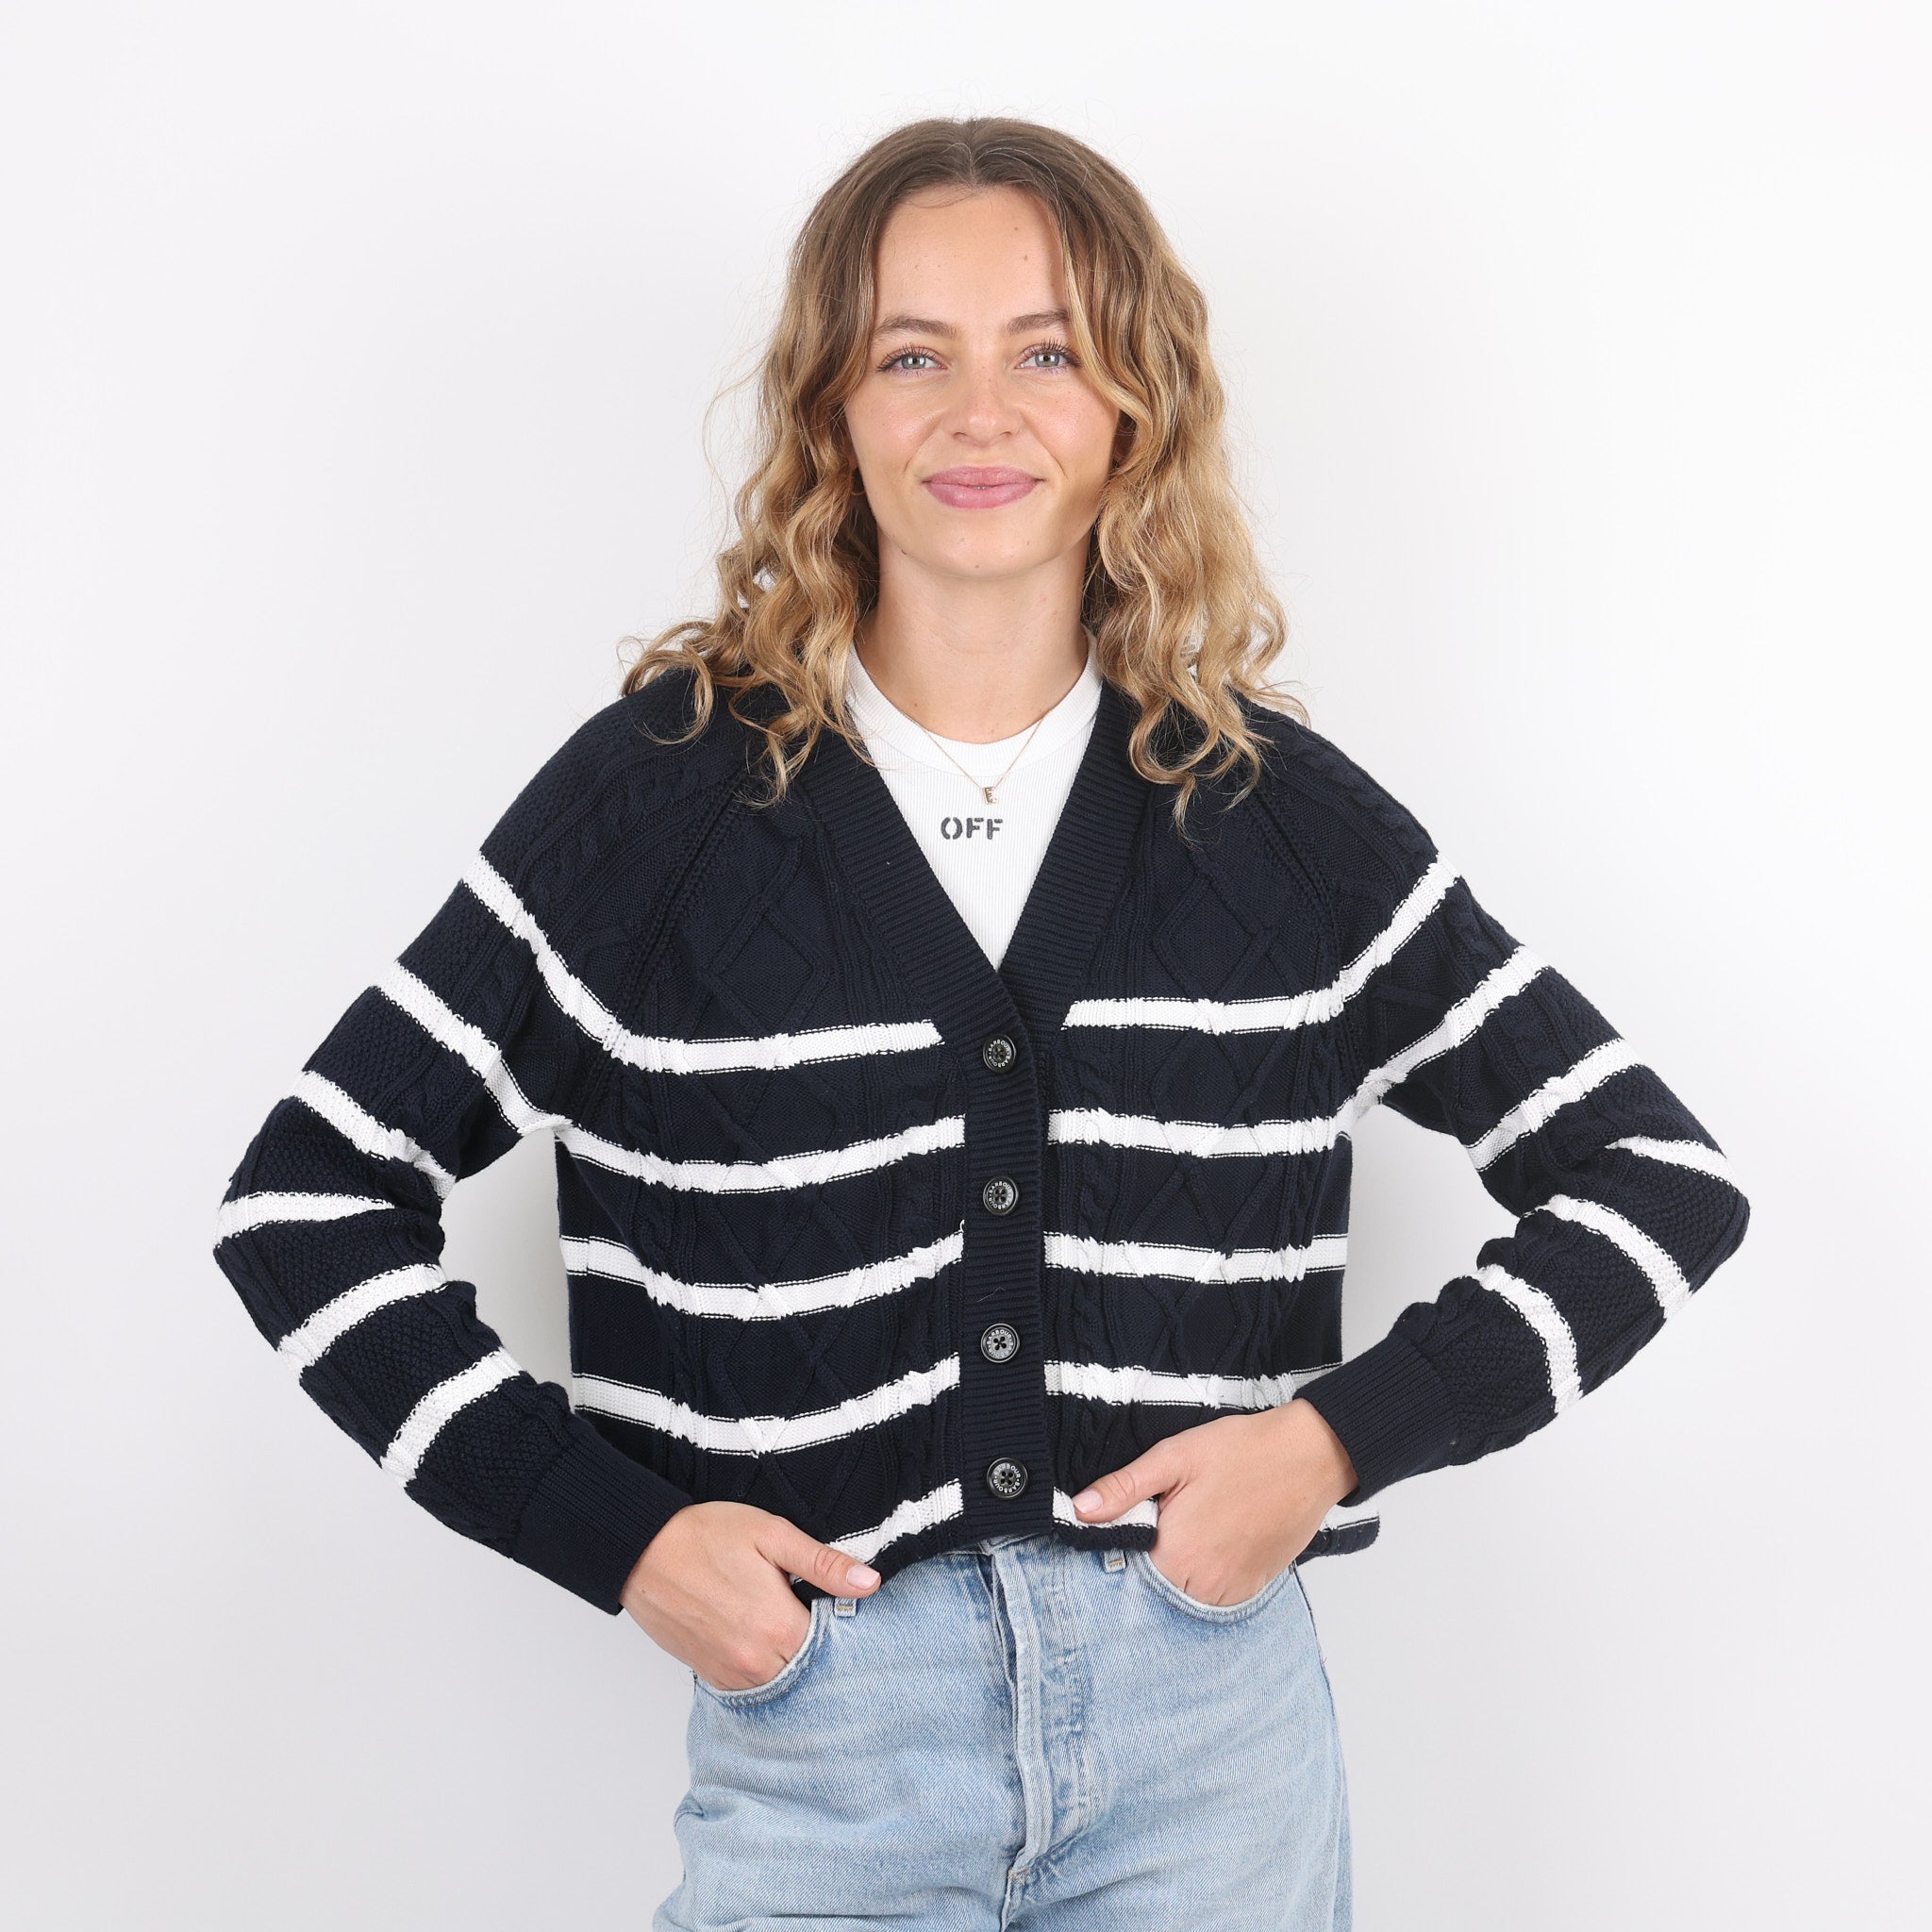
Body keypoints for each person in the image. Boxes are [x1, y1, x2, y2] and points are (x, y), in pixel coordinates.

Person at [211, 117, 1750, 1929]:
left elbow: (1654, 1181)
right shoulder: (658, 806)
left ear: (1135, 408)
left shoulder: (1273, 818)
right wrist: (614, 1537)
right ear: (832, 409)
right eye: (910, 357)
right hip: (825, 1743)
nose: (980, 414)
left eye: (1048, 352)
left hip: (1214, 1745)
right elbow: (306, 1208)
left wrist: (1328, 1444)